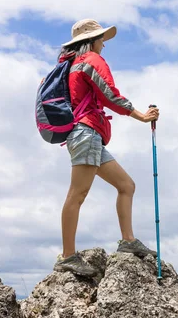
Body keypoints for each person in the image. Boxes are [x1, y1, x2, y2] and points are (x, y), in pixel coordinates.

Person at [53, 19, 160, 277]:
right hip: (87, 133)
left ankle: (127, 241)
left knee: (126, 186)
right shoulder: (90, 60)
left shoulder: (71, 65)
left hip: (88, 135)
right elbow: (110, 95)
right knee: (77, 194)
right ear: (90, 41)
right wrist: (142, 116)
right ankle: (68, 256)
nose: (104, 44)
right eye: (101, 39)